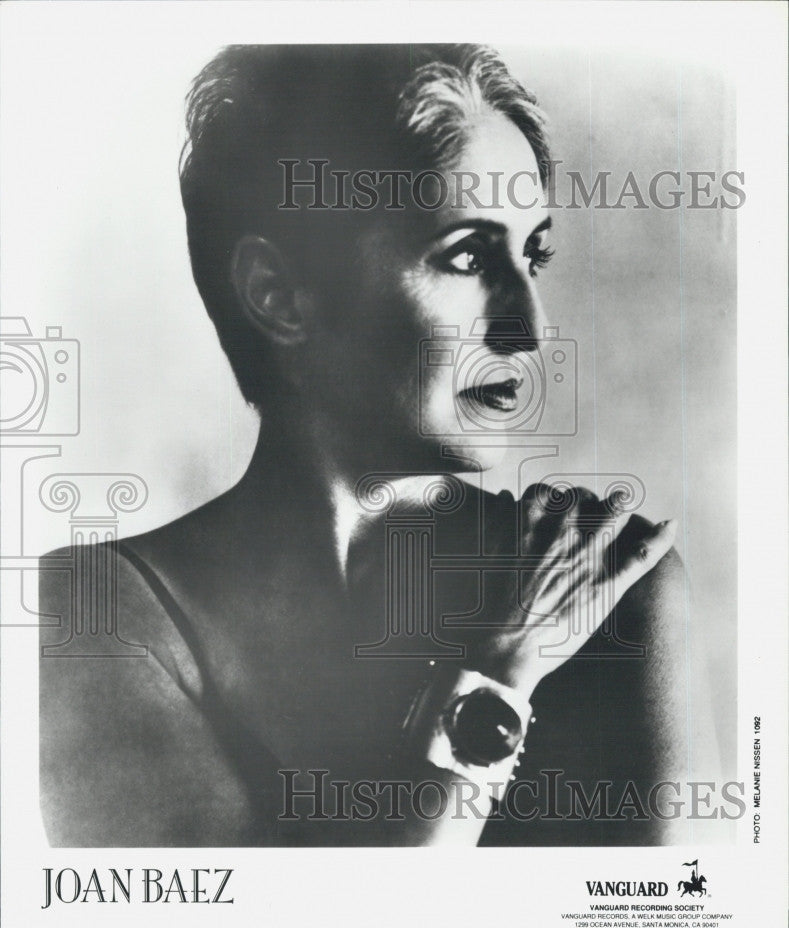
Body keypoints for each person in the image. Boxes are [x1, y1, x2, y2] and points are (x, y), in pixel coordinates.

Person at [39, 43, 715, 847]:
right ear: (277, 295)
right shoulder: (98, 614)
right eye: (466, 255)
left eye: (532, 255)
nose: (526, 329)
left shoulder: (613, 588)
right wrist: (499, 678)